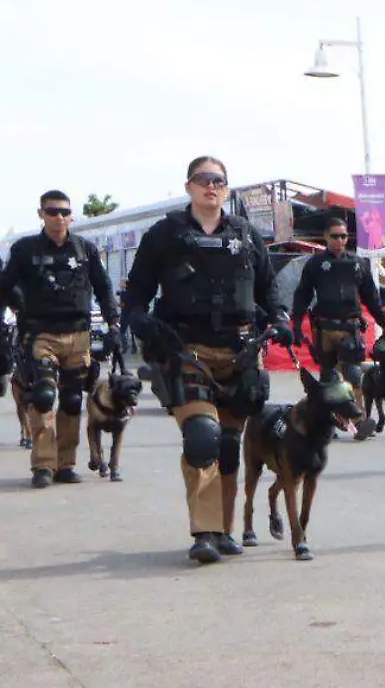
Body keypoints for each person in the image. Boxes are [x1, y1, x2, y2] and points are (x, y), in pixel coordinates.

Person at [122, 156, 292, 564]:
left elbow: (269, 292)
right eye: (203, 180)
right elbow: (137, 292)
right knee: (202, 437)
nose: (210, 187)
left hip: (240, 351)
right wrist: (139, 319)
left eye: (218, 181)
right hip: (187, 350)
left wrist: (282, 319)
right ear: (189, 187)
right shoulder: (165, 234)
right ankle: (204, 532)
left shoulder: (247, 235)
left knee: (230, 447)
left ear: (226, 189)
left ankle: (224, 529)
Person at [0, 190, 119, 488]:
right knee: (42, 397)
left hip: (78, 335)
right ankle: (43, 465)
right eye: (52, 211)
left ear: (72, 216)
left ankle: (65, 464)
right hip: (40, 334)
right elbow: (4, 286)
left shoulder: (85, 249)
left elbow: (103, 288)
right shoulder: (25, 249)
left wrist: (114, 323)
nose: (59, 217)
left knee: (71, 400)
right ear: (41, 213)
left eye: (65, 212)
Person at [291, 215, 385, 398]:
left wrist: (384, 323)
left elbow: (371, 297)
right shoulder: (315, 264)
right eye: (335, 236)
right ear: (326, 236)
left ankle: (358, 419)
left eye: (343, 236)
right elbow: (302, 295)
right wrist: (296, 325)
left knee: (354, 375)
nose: (340, 240)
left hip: (350, 328)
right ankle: (329, 420)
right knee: (328, 377)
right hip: (325, 329)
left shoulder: (357, 263)